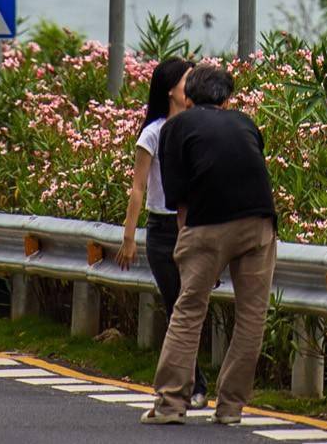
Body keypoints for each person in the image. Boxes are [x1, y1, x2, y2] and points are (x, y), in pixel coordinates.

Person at [145, 62, 276, 425]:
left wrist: (188, 247)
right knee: (251, 317)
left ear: (188, 96)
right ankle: (231, 409)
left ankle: (170, 405)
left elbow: (178, 200)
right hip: (259, 223)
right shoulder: (245, 122)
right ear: (227, 98)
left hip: (207, 225)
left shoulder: (175, 127)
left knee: (188, 310)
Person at [117, 58, 204, 408]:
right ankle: (193, 384)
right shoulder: (152, 133)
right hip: (161, 229)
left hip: (194, 227)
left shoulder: (198, 129)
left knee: (190, 306)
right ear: (170, 89)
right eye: (188, 80)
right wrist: (128, 237)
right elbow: (138, 187)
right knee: (177, 306)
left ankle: (191, 383)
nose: (193, 87)